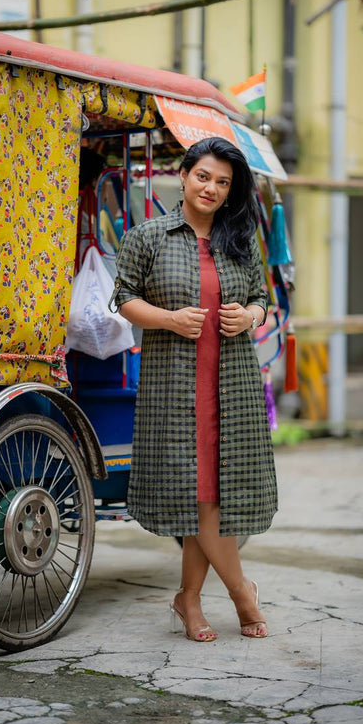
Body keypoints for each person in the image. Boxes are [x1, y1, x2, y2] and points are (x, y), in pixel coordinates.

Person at [111, 136, 277, 641]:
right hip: (175, 386)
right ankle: (241, 592)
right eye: (203, 176)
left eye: (223, 182)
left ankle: (189, 599)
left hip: (233, 385)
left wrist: (248, 316)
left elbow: (260, 298)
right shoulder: (150, 236)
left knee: (212, 495)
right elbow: (122, 299)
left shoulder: (239, 239)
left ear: (231, 191)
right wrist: (168, 319)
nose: (211, 188)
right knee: (197, 492)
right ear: (183, 176)